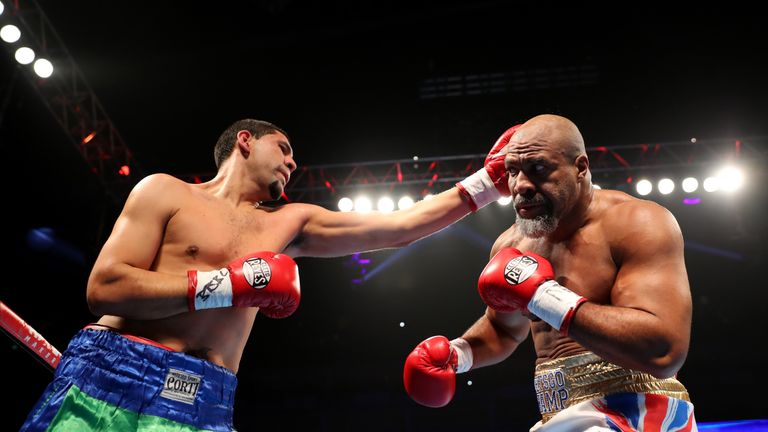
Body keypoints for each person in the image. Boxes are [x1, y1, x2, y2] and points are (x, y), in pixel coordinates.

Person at [21, 119, 517, 431]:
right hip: (116, 368)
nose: (292, 162)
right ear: (244, 142)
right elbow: (104, 287)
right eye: (282, 148)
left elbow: (400, 227)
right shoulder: (164, 192)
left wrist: (484, 185)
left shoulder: (290, 222)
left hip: (204, 396)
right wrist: (228, 286)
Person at [403, 114, 697, 431]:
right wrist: (458, 355)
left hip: (640, 409)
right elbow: (503, 330)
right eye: (512, 171)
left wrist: (543, 295)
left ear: (580, 168)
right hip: (562, 416)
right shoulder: (512, 244)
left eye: (539, 169)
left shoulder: (636, 222)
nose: (521, 185)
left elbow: (663, 350)